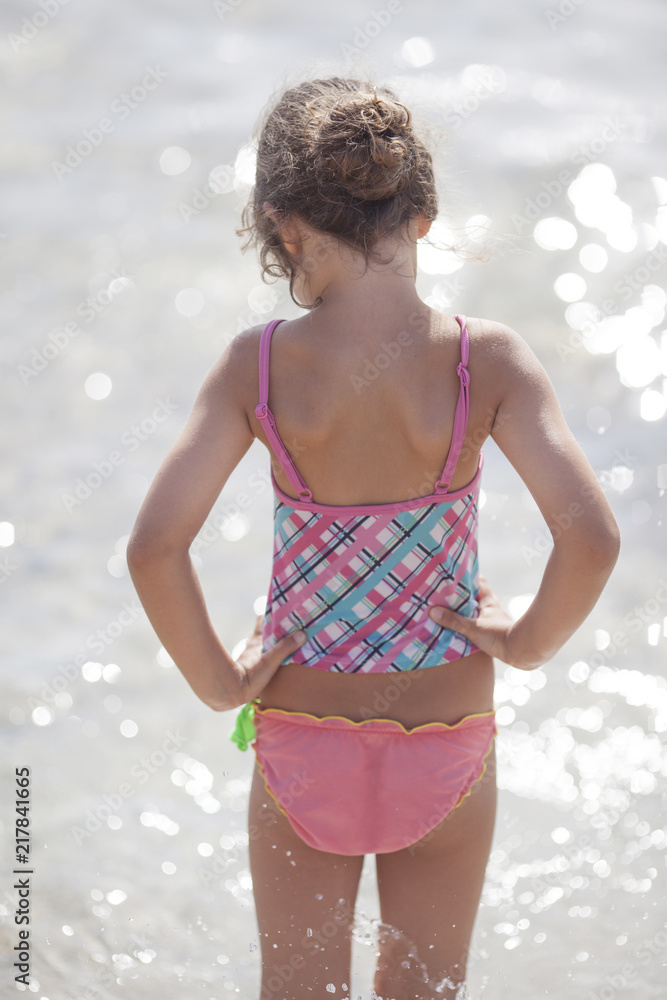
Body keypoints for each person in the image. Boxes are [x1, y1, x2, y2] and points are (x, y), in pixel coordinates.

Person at [127, 76, 620, 1000]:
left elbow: (155, 547)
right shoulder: (487, 362)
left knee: (300, 986)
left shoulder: (261, 365)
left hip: (301, 737)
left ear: (283, 227)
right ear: (423, 215)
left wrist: (220, 682)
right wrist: (523, 643)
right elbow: (589, 538)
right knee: (425, 988)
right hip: (445, 734)